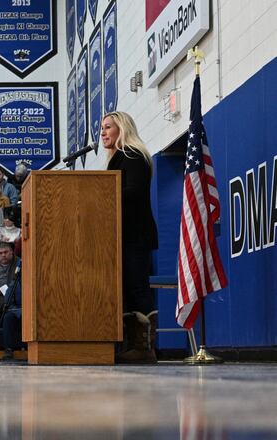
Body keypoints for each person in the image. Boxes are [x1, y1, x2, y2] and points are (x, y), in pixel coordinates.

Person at [102, 111, 159, 364]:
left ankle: (145, 348)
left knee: (137, 287)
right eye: (102, 128)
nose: (103, 132)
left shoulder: (133, 155)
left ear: (122, 128)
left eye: (108, 127)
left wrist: (100, 197)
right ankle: (130, 346)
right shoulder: (117, 158)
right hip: (120, 235)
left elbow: (133, 192)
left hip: (135, 234)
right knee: (126, 289)